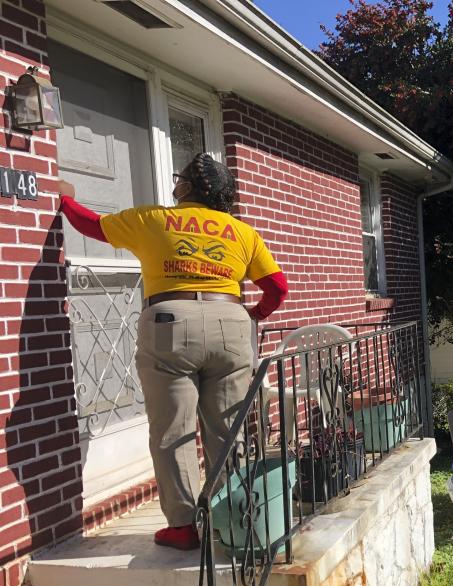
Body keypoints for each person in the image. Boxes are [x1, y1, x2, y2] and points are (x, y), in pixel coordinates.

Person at [58, 152, 288, 551]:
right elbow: (278, 288)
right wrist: (254, 313)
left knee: (172, 429)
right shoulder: (241, 231)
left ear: (186, 188)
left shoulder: (153, 219)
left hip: (169, 323)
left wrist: (63, 198)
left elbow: (89, 224)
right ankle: (232, 518)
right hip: (229, 322)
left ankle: (182, 527)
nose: (175, 183)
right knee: (226, 428)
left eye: (179, 178)